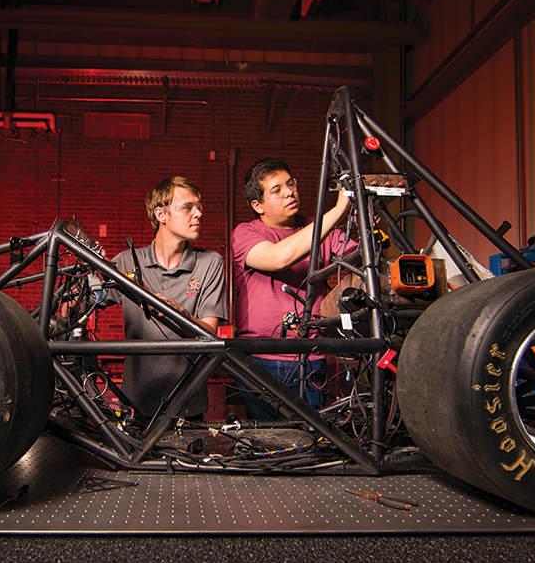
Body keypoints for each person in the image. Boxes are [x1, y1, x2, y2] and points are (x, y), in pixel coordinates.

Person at [231, 157, 353, 419]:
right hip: (259, 359)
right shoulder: (245, 233)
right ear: (258, 205)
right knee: (268, 442)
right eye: (276, 190)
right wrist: (337, 210)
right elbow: (278, 258)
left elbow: (360, 260)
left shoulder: (323, 230)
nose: (289, 192)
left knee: (311, 439)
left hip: (311, 355)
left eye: (291, 183)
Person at [109, 176, 227, 420]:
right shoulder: (127, 262)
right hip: (137, 405)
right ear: (161, 214)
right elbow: (82, 302)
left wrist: (181, 314)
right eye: (187, 207)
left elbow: (210, 334)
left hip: (188, 404)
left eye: (199, 207)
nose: (198, 214)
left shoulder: (210, 263)